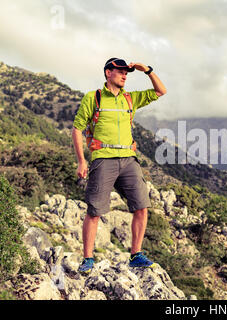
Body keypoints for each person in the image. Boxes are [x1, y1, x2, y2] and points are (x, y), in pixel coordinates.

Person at [71, 57, 166, 274]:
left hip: (128, 159)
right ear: (108, 73)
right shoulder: (93, 98)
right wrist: (81, 160)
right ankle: (88, 259)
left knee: (142, 206)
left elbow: (161, 91)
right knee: (95, 211)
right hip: (103, 158)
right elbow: (77, 129)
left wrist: (147, 70)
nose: (124, 75)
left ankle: (136, 255)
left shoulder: (130, 98)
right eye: (120, 71)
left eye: (126, 72)